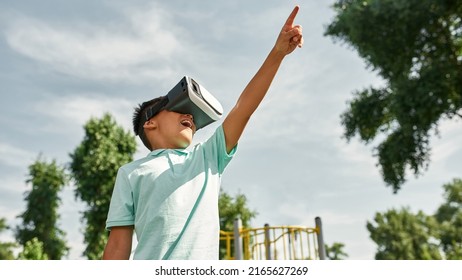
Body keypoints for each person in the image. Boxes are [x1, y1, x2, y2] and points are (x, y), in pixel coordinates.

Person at [102, 5, 303, 260]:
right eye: (180, 108)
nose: (190, 117)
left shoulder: (208, 157)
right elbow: (118, 247)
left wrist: (277, 54)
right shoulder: (130, 174)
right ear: (150, 123)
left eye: (194, 117)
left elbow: (243, 108)